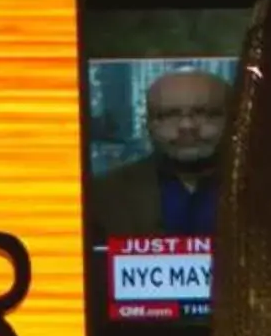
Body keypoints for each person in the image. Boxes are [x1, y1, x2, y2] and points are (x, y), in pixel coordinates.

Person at [87, 67, 230, 240]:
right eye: (169, 115)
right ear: (148, 124)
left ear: (233, 118)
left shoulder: (266, 191)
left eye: (204, 113)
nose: (187, 126)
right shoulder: (102, 195)